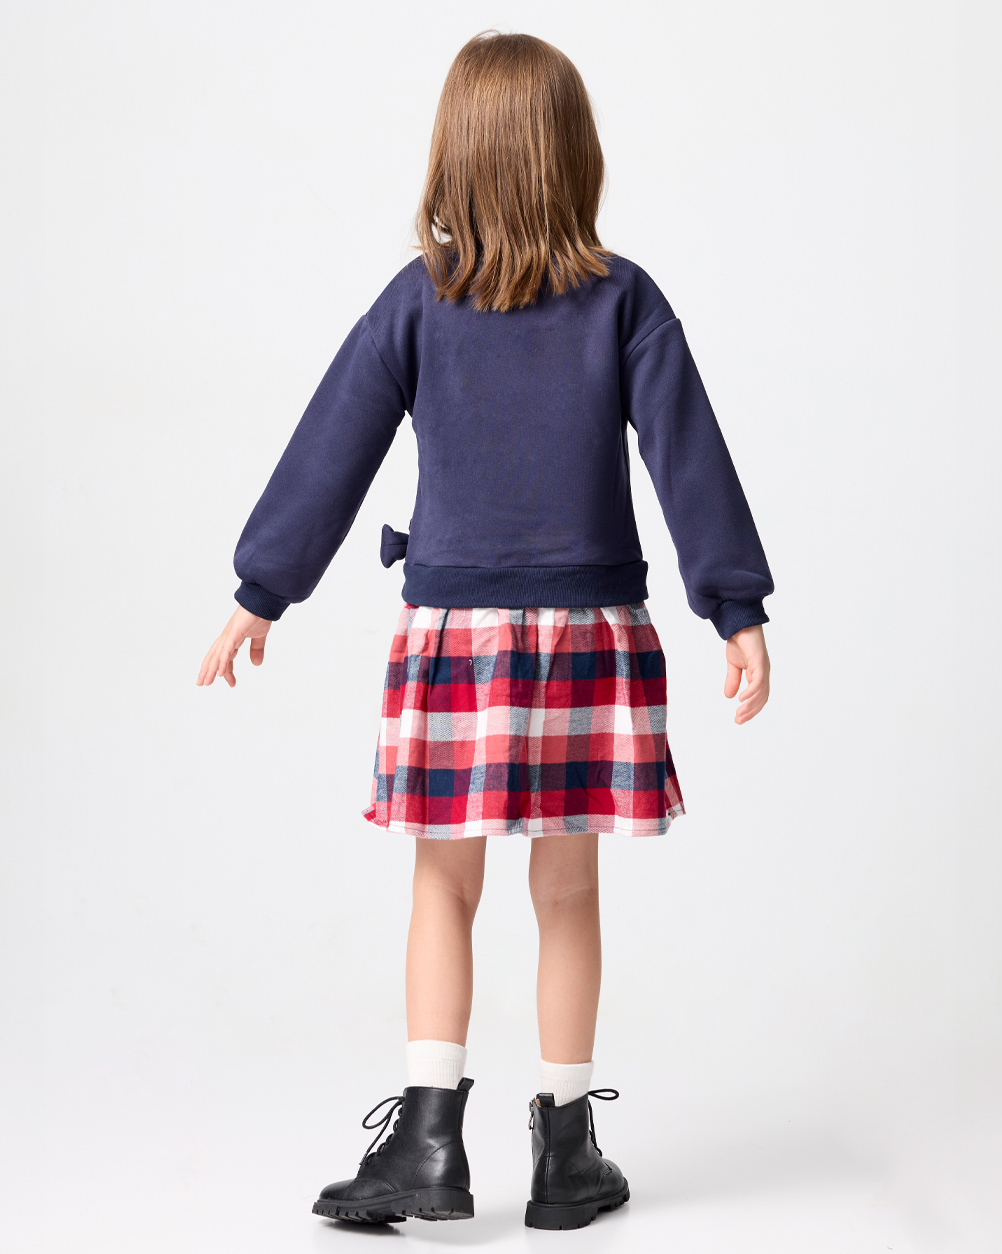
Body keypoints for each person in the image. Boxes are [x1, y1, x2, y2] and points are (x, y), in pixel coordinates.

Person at [197, 30, 772, 1232]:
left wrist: (262, 589)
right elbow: (689, 458)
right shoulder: (624, 297)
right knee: (567, 893)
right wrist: (734, 606)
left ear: (452, 153)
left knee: (443, 887)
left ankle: (426, 1148)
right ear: (575, 153)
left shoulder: (420, 299)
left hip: (455, 632)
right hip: (590, 630)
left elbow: (330, 447)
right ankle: (565, 1155)